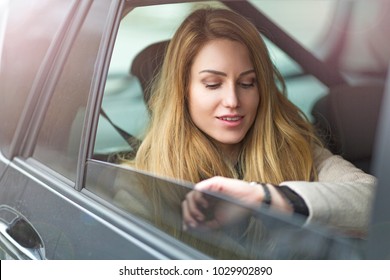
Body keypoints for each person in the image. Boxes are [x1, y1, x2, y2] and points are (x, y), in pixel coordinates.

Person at [124, 7, 376, 245]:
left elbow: (374, 201)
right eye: (212, 84)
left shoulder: (297, 151)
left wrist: (267, 198)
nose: (233, 101)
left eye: (247, 83)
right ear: (182, 91)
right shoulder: (142, 181)